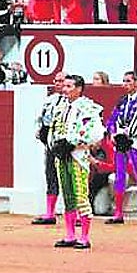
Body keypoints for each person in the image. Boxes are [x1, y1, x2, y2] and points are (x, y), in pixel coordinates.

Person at [50, 73, 105, 250]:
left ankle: (85, 237)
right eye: (64, 86)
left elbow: (95, 132)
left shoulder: (89, 108)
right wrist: (54, 143)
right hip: (62, 156)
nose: (64, 90)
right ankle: (70, 235)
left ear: (79, 89)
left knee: (81, 195)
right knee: (67, 196)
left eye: (68, 86)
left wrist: (73, 142)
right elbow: (54, 129)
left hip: (78, 156)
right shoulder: (60, 107)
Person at [105, 70, 137, 226]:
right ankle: (118, 213)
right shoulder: (122, 101)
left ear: (136, 82)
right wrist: (114, 133)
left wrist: (131, 134)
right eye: (124, 81)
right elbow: (112, 119)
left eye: (128, 81)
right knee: (120, 176)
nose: (125, 84)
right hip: (121, 142)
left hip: (136, 143)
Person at [31, 72, 67, 226]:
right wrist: (41, 132)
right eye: (56, 81)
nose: (58, 84)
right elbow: (42, 119)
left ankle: (77, 213)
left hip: (67, 147)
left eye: (62, 81)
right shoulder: (50, 100)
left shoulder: (74, 102)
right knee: (51, 177)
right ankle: (50, 213)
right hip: (51, 145)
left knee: (69, 179)